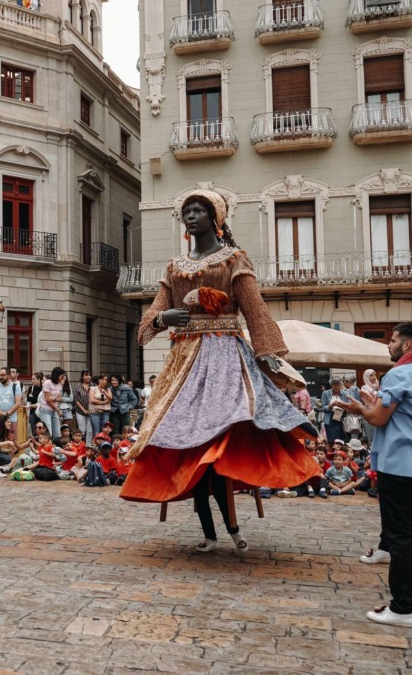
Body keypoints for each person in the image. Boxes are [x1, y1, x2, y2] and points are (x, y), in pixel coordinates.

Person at [120, 189, 320, 553]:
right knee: (190, 444)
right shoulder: (174, 267)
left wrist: (268, 352)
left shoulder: (234, 259)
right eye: (186, 210)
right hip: (185, 360)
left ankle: (230, 525)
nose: (191, 216)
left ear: (216, 218)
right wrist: (164, 318)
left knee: (226, 434)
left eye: (198, 210)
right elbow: (151, 317)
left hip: (226, 354)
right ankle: (211, 531)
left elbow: (254, 308)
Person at [338, 322, 412, 628]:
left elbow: (377, 418)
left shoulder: (400, 374)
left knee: (402, 537)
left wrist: (361, 408)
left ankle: (403, 608)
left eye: (392, 341)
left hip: (402, 464)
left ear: (406, 346)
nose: (388, 345)